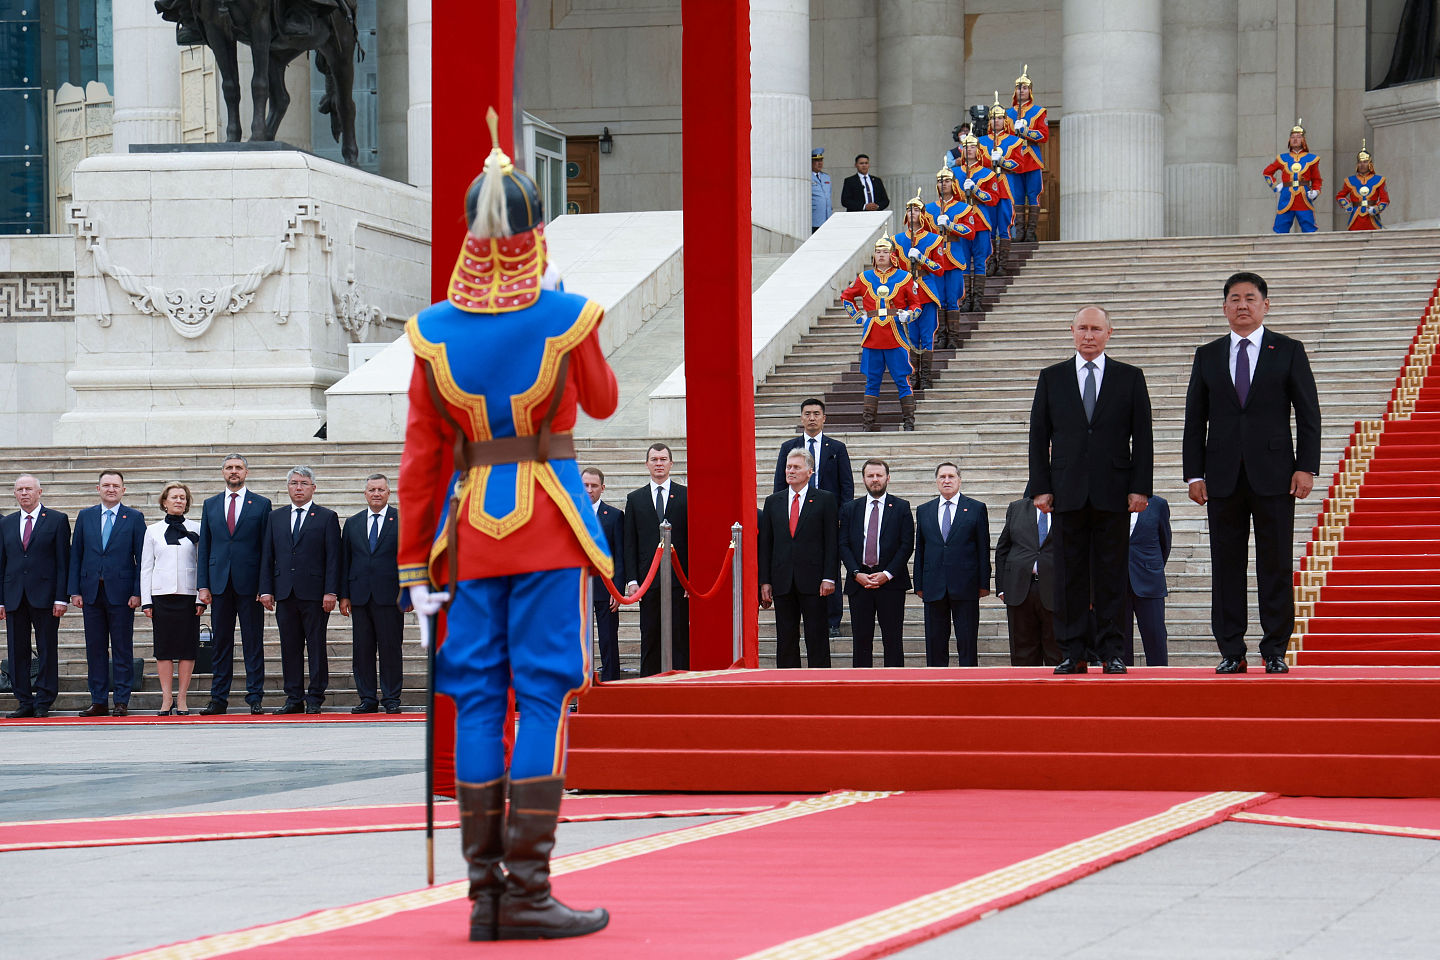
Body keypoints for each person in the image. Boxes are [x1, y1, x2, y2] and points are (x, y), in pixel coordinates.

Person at [398, 109, 615, 939]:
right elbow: (601, 402)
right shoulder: (563, 316)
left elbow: (423, 459)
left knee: (481, 701)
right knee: (545, 695)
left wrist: (415, 566)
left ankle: (485, 896)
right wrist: (564, 319)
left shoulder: (434, 332)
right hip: (547, 523)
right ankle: (529, 890)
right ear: (535, 231)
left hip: (470, 532)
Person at [1183, 271, 1320, 674]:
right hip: (1222, 476)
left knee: (1274, 563)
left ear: (1265, 304)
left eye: (1250, 298)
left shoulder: (1289, 350)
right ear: (1224, 307)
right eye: (1234, 299)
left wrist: (1305, 467)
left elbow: (1308, 414)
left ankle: (1275, 648)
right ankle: (1231, 649)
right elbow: (1196, 420)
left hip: (1276, 475)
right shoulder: (1207, 354)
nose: (1242, 305)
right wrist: (1194, 474)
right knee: (1226, 565)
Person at [1028, 306, 1153, 675]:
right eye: (1082, 328)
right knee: (1069, 577)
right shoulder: (1052, 378)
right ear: (1071, 331)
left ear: (1109, 333)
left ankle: (1113, 652)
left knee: (1112, 576)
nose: (1088, 335)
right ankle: (1073, 652)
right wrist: (1041, 487)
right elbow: (1038, 436)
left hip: (1114, 492)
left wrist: (1140, 487)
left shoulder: (1129, 377)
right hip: (1066, 493)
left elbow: (1142, 438)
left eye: (1096, 329)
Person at [195, 453, 272, 715]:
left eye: (238, 467)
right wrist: (202, 585)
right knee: (221, 644)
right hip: (219, 584)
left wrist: (265, 586)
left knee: (253, 642)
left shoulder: (261, 504)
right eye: (229, 467)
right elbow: (204, 546)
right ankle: (218, 698)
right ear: (223, 472)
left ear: (246, 472)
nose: (234, 471)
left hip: (250, 586)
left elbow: (266, 549)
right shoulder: (210, 504)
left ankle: (255, 697)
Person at [259, 467, 340, 714]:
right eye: (294, 483)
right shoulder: (276, 517)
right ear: (288, 487)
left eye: (304, 483)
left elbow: (333, 558)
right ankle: (293, 697)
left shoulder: (327, 516)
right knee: (289, 647)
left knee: (316, 646)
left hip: (316, 594)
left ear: (313, 487)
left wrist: (331, 591)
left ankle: (315, 697)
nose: (298, 487)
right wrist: (265, 589)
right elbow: (267, 555)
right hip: (285, 592)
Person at [771, 398, 852, 635]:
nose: (812, 417)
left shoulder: (836, 448)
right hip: (796, 515)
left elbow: (846, 486)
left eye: (817, 413)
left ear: (824, 418)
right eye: (807, 413)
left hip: (827, 518)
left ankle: (832, 620)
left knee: (830, 566)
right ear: (801, 418)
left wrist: (842, 517)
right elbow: (779, 484)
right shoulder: (789, 447)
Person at [67, 470, 145, 717]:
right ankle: (98, 700)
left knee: (122, 648)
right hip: (91, 593)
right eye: (106, 485)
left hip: (122, 594)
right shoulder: (85, 516)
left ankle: (121, 700)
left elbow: (141, 558)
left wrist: (138, 591)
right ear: (98, 488)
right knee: (95, 648)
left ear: (123, 490)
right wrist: (74, 590)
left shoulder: (134, 517)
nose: (111, 489)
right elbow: (76, 555)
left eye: (115, 485)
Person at [759, 450, 838, 668]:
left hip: (814, 581)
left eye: (796, 467)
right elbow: (766, 544)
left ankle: (820, 685)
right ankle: (786, 685)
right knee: (785, 639)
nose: (791, 471)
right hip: (783, 580)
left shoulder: (825, 499)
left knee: (817, 637)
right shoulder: (773, 501)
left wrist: (829, 577)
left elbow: (832, 542)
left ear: (810, 471)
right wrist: (765, 581)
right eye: (788, 467)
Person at [0, 475, 69, 718]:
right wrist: (1, 600)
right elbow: (2, 563)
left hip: (46, 596)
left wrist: (62, 598)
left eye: (28, 489)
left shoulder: (57, 520)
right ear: (14, 494)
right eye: (19, 489)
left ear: (39, 492)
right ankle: (24, 700)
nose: (24, 493)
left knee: (47, 648)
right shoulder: (6, 523)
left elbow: (63, 562)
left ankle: (44, 700)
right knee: (17, 650)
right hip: (14, 596)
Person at [840, 237, 923, 431]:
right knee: (872, 381)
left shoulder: (905, 277)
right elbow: (847, 297)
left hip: (896, 335)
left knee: (903, 379)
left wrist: (909, 315)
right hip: (872, 336)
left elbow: (916, 304)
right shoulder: (864, 277)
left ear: (892, 255)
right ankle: (868, 423)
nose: (881, 255)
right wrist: (857, 316)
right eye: (878, 252)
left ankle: (909, 421)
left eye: (885, 252)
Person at [913, 462, 990, 667]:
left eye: (951, 477)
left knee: (967, 641)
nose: (946, 481)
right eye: (942, 477)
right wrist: (919, 584)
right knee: (935, 642)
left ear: (959, 480)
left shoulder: (976, 508)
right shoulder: (924, 510)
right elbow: (920, 549)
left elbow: (983, 547)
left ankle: (969, 685)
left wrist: (984, 583)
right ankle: (936, 684)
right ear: (936, 481)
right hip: (933, 585)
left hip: (966, 585)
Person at [838, 459, 913, 667]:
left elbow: (906, 545)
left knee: (893, 639)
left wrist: (887, 574)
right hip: (859, 582)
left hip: (891, 584)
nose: (875, 480)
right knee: (861, 640)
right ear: (863, 479)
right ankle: (861, 687)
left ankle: (895, 686)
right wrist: (855, 572)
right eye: (870, 476)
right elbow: (843, 544)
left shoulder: (901, 507)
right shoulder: (850, 508)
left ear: (888, 478)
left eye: (879, 475)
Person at [340, 474, 404, 714]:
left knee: (390, 648)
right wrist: (344, 595)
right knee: (362, 649)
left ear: (389, 493)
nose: (376, 494)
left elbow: (409, 559)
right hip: (359, 596)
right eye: (372, 490)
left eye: (381, 489)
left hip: (391, 596)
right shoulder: (353, 522)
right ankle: (367, 698)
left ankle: (391, 698)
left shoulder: (402, 520)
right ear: (365, 494)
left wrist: (408, 592)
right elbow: (345, 561)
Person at [624, 443, 690, 676]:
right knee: (650, 635)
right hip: (647, 582)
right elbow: (630, 542)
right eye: (654, 459)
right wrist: (632, 580)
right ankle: (649, 683)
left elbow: (692, 539)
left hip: (678, 581)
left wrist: (689, 581)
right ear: (647, 464)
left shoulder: (685, 495)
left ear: (671, 463)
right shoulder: (635, 499)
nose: (659, 464)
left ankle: (682, 684)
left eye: (663, 459)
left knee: (680, 635)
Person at [141, 482, 204, 715]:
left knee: (188, 649)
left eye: (182, 497)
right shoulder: (152, 530)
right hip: (161, 596)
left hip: (188, 596)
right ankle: (166, 698)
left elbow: (202, 566)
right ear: (164, 502)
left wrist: (201, 597)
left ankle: (183, 698)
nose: (179, 501)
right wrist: (146, 600)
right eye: (174, 497)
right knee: (164, 649)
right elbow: (146, 567)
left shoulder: (197, 528)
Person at [993, 494, 1061, 667]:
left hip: (1058, 590)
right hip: (1020, 589)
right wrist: (1001, 587)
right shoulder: (1017, 508)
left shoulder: (1069, 507)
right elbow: (1003, 548)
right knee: (1023, 654)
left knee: (1057, 653)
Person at [891, 195, 947, 388]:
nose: (912, 213)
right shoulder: (896, 240)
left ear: (922, 214)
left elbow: (939, 269)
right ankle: (914, 376)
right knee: (911, 337)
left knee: (926, 335)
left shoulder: (934, 239)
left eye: (916, 210)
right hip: (906, 292)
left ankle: (926, 377)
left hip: (926, 291)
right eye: (909, 210)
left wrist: (922, 258)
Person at [582, 468, 625, 682]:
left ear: (603, 488)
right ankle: (577, 686)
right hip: (577, 589)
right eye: (585, 485)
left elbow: (620, 555)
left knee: (608, 639)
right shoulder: (568, 514)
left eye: (594, 486)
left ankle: (611, 684)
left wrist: (617, 589)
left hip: (605, 589)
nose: (589, 490)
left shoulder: (615, 516)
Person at [951, 136, 1001, 312]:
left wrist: (976, 190)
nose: (969, 150)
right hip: (962, 222)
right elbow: (949, 199)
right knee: (963, 263)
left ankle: (977, 299)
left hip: (980, 221)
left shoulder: (988, 174)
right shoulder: (954, 173)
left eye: (973, 146)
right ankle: (965, 300)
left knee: (979, 261)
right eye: (966, 147)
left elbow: (994, 199)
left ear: (978, 150)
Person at [1125, 493, 1171, 666]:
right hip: (1117, 583)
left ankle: (1160, 686)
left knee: (1156, 639)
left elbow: (1165, 542)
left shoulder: (1158, 504)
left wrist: (1152, 568)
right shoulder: (1109, 501)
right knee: (1119, 646)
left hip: (1149, 581)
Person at [978, 93, 1022, 276]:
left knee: (1003, 227)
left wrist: (1003, 160)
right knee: (988, 226)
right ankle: (990, 262)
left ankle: (1003, 264)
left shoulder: (1014, 141)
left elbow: (1019, 164)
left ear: (1006, 120)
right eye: (993, 118)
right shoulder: (980, 142)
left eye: (1000, 118)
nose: (997, 121)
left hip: (1005, 186)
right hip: (987, 188)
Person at [923, 168, 970, 338]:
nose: (943, 184)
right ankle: (942, 335)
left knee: (953, 299)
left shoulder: (963, 207)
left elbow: (970, 231)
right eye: (940, 181)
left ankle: (953, 337)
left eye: (947, 181)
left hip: (954, 258)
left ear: (953, 183)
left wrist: (951, 226)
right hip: (936, 259)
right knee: (939, 299)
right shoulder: (928, 210)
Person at [1006, 64, 1050, 243]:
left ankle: (1031, 232)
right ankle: (1019, 231)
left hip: (1031, 159)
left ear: (1030, 91)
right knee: (1016, 196)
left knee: (1033, 195)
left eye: (1024, 88)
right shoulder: (1007, 114)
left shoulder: (1039, 111)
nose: (1021, 91)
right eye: (1018, 88)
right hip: (1015, 161)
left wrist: (1026, 132)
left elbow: (1044, 135)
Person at [1263, 119, 1323, 234]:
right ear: (1289, 140)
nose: (1295, 139)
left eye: (1298, 137)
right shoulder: (1282, 158)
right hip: (1286, 196)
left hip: (1304, 197)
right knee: (1281, 228)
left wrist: (1316, 191)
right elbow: (1267, 172)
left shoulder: (1312, 159)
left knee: (1309, 229)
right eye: (1292, 137)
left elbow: (1317, 179)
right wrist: (1276, 186)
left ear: (1303, 140)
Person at [1336, 140, 1389, 231]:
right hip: (1355, 217)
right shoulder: (1350, 181)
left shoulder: (1379, 180)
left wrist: (1376, 209)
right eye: (1360, 162)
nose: (1362, 165)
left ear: (1370, 164)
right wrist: (1347, 205)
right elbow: (1340, 196)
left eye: (1365, 162)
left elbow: (1385, 200)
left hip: (1371, 217)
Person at [811, 147, 832, 232]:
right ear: (811, 162)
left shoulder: (826, 177)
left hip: (827, 216)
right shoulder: (807, 177)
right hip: (814, 217)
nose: (820, 163)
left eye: (821, 160)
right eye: (817, 161)